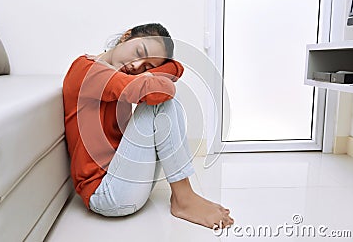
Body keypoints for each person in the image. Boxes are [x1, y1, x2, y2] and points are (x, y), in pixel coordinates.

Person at [62, 23, 234, 229]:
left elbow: (174, 70)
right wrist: (154, 77)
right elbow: (158, 92)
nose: (136, 66)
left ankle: (184, 197)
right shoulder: (87, 71)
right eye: (138, 52)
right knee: (161, 104)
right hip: (106, 195)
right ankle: (184, 198)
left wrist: (156, 74)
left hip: (128, 180)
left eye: (147, 67)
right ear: (126, 36)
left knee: (164, 102)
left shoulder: (122, 74)